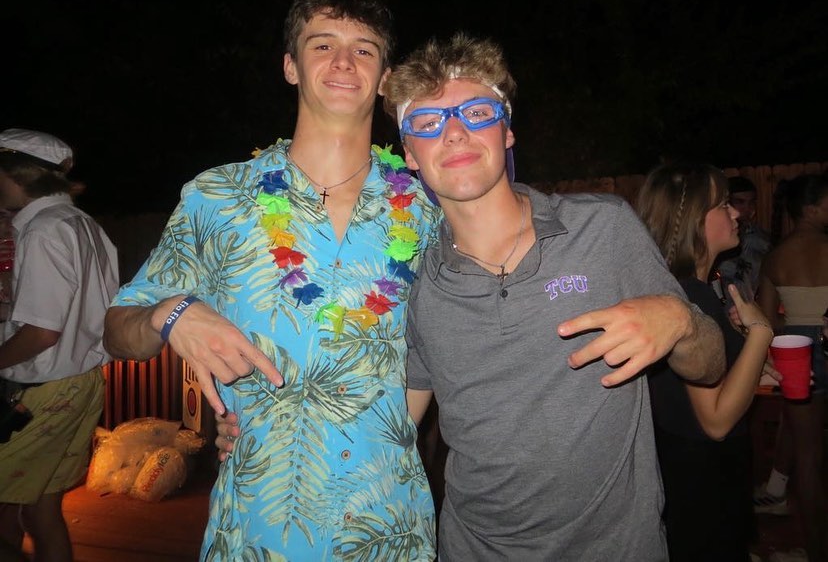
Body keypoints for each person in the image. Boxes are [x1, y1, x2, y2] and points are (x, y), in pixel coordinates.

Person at [216, 31, 727, 561]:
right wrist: (257, 428)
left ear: (507, 130)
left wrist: (680, 321)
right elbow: (389, 422)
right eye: (428, 123)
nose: (455, 133)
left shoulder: (603, 228)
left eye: (477, 113)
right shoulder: (416, 283)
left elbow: (710, 367)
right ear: (409, 153)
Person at [103, 0, 444, 561]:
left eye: (363, 48)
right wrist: (170, 314)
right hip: (260, 527)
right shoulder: (217, 197)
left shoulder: (428, 210)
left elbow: (445, 347)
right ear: (290, 66)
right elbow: (116, 329)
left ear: (386, 78)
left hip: (389, 525)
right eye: (322, 44)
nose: (343, 61)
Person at [637, 162, 775, 561]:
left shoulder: (683, 289)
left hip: (689, 470)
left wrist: (747, 361)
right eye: (723, 204)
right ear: (696, 221)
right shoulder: (688, 298)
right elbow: (715, 421)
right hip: (702, 479)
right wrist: (761, 333)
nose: (736, 213)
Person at [0, 128, 119, 562]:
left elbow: (41, 333)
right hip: (80, 383)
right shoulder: (82, 224)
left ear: (14, 174)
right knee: (40, 510)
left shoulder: (43, 231)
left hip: (43, 393)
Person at [756, 172, 828, 562]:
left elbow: (768, 322)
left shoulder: (776, 257)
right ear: (811, 209)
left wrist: (801, 322)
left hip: (799, 355)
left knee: (808, 456)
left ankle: (817, 551)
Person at [717, 175, 771, 302]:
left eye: (751, 202)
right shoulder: (716, 239)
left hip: (752, 305)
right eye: (740, 202)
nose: (747, 208)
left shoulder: (762, 240)